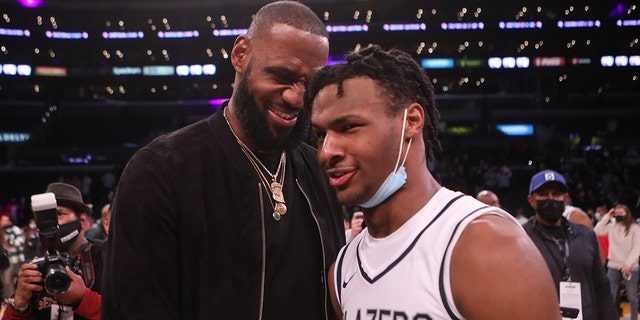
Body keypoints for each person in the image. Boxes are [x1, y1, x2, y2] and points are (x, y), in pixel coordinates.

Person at [101, 2, 345, 319]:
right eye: (281, 75)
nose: (295, 98)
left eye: (310, 85)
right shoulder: (161, 169)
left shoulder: (319, 170)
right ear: (241, 54)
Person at [306, 45, 560, 319]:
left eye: (348, 127)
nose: (327, 151)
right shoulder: (342, 269)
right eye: (321, 134)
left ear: (411, 121)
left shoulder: (488, 246)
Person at [523, 169, 617, 320]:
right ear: (531, 200)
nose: (550, 199)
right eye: (543, 194)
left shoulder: (586, 235)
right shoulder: (521, 238)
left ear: (565, 198)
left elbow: (601, 288)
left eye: (556, 194)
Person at [3, 182, 103, 320]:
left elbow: (130, 313)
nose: (52, 223)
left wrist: (83, 298)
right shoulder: (35, 266)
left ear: (83, 220)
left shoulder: (106, 257)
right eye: (45, 216)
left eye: (60, 214)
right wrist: (19, 301)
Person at [594, 204, 640, 320]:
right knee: (610, 294)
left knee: (632, 296)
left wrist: (629, 263)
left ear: (627, 213)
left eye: (621, 213)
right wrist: (607, 217)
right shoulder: (612, 225)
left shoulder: (635, 228)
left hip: (630, 267)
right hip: (613, 266)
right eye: (617, 213)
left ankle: (634, 318)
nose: (619, 215)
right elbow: (597, 230)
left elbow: (637, 247)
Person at [0, 215, 25, 301]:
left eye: (4, 220)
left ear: (10, 222)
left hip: (14, 260)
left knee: (8, 281)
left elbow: (20, 242)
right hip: (3, 260)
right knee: (4, 281)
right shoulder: (2, 230)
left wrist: (8, 241)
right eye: (1, 220)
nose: (2, 222)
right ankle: (7, 299)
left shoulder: (15, 229)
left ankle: (10, 300)